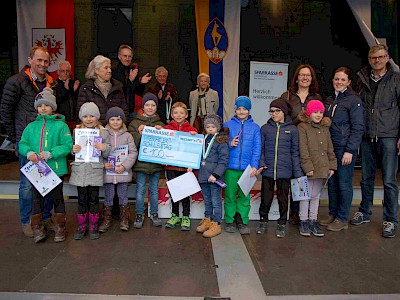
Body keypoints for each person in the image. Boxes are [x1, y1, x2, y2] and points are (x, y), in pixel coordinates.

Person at [0, 46, 55, 237]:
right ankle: (27, 221)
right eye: (39, 60)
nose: (42, 64)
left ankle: (45, 217)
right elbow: (5, 111)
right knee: (26, 184)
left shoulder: (50, 82)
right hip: (27, 143)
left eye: (46, 61)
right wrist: (15, 138)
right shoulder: (16, 81)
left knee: (47, 182)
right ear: (30, 60)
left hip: (46, 143)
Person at [350, 44, 400, 238]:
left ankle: (390, 220)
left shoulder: (396, 80)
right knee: (366, 178)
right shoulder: (361, 80)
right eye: (373, 58)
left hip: (389, 135)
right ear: (369, 59)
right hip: (366, 136)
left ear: (387, 58)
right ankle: (365, 211)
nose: (376, 61)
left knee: (388, 181)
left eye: (380, 57)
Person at [18, 88, 73, 243]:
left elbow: (67, 145)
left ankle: (60, 226)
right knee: (37, 199)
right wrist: (29, 153)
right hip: (37, 170)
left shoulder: (61, 126)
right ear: (36, 107)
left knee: (57, 198)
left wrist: (51, 153)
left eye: (47, 105)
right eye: (40, 105)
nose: (43, 108)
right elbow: (23, 143)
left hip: (56, 169)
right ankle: (37, 227)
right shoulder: (30, 127)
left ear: (53, 108)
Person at [319, 67, 364, 232]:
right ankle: (332, 214)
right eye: (337, 79)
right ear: (333, 80)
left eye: (343, 80)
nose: (339, 82)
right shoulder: (331, 101)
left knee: (344, 183)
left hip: (344, 149)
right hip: (331, 149)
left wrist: (350, 150)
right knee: (332, 182)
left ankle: (342, 218)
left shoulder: (354, 101)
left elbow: (358, 127)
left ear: (349, 82)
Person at [281, 64, 323, 226]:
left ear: (312, 79)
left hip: (311, 143)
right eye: (301, 75)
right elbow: (283, 118)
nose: (305, 78)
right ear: (296, 78)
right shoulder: (287, 96)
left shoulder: (317, 98)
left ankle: (305, 214)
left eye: (308, 75)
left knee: (308, 175)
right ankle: (294, 212)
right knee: (295, 176)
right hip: (292, 141)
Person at [255, 98, 303, 238]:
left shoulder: (292, 129)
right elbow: (261, 149)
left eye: (277, 111)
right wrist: (262, 163)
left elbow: (295, 152)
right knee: (266, 197)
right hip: (268, 170)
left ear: (284, 112)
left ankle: (282, 223)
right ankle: (263, 220)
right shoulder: (265, 128)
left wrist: (297, 172)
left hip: (285, 171)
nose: (274, 114)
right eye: (271, 111)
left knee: (283, 198)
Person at [70, 102, 111, 240]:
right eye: (85, 116)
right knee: (81, 199)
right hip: (80, 171)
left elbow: (108, 152)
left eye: (92, 116)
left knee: (93, 199)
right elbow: (72, 150)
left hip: (95, 170)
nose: (88, 119)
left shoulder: (103, 132)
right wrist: (73, 149)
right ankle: (81, 226)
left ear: (97, 117)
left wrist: (103, 147)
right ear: (81, 117)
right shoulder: (76, 131)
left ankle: (93, 225)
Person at [297, 100, 337, 237]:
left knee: (316, 196)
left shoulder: (325, 128)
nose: (319, 115)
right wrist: (307, 166)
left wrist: (332, 166)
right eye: (315, 112)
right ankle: (303, 220)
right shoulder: (303, 127)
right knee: (305, 196)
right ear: (309, 113)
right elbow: (303, 149)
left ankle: (313, 220)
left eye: (321, 112)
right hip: (309, 168)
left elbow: (330, 149)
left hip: (322, 167)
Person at [223, 96, 261, 235]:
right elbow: (220, 144)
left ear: (249, 110)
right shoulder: (227, 125)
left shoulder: (255, 128)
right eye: (238, 108)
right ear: (235, 109)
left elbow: (257, 148)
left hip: (247, 170)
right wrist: (229, 144)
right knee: (230, 195)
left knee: (245, 196)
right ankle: (229, 220)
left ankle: (242, 220)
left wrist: (254, 166)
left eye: (244, 109)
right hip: (230, 168)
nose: (241, 111)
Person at [128, 93, 165, 229]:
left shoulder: (161, 124)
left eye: (153, 105)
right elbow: (130, 144)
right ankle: (139, 214)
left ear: (156, 107)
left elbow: (166, 144)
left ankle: (154, 213)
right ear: (143, 106)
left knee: (154, 189)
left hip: (155, 164)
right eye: (147, 105)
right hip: (140, 164)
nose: (150, 107)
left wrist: (162, 133)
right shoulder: (134, 123)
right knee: (140, 190)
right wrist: (138, 133)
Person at [99, 107, 137, 233]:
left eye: (118, 119)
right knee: (108, 196)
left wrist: (125, 166)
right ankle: (107, 219)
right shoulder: (103, 135)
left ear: (123, 121)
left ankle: (124, 219)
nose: (115, 122)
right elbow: (98, 152)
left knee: (123, 196)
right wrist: (104, 164)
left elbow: (133, 153)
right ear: (108, 120)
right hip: (109, 173)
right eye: (112, 119)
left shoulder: (127, 136)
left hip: (122, 173)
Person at [163, 102, 198, 231]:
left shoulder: (192, 130)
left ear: (186, 115)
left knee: (185, 192)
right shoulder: (166, 129)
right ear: (172, 114)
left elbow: (195, 150)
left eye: (181, 113)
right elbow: (162, 146)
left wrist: (192, 165)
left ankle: (186, 216)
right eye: (176, 113)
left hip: (185, 168)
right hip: (171, 167)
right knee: (173, 192)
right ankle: (175, 215)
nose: (179, 115)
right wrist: (163, 160)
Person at [195, 114, 229, 238]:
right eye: (207, 126)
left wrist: (216, 174)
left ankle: (217, 223)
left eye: (213, 126)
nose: (210, 129)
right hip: (203, 176)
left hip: (214, 178)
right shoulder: (203, 139)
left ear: (218, 127)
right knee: (207, 200)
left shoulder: (221, 141)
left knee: (216, 201)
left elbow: (224, 161)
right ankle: (208, 219)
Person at [76, 55, 129, 126]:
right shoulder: (86, 89)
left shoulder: (117, 87)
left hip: (115, 130)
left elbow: (124, 111)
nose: (109, 71)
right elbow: (81, 113)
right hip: (95, 130)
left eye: (110, 68)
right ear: (96, 70)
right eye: (106, 68)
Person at [112, 44, 152, 121]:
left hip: (131, 110)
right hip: (118, 110)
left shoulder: (132, 70)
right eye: (125, 56)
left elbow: (138, 91)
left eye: (129, 56)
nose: (127, 59)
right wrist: (130, 80)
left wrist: (142, 83)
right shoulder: (114, 72)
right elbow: (120, 90)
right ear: (119, 56)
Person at [53, 60, 80, 132]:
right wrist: (67, 90)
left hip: (75, 121)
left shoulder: (74, 83)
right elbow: (57, 101)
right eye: (62, 71)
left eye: (67, 71)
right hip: (60, 121)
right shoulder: (54, 84)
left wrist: (75, 90)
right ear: (58, 72)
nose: (65, 73)